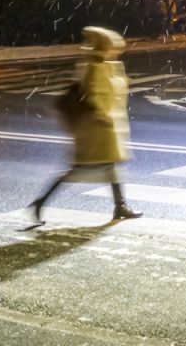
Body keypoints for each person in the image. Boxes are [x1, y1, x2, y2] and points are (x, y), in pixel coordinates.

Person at [27, 26, 142, 227]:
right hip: (94, 128)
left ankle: (120, 206)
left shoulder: (107, 65)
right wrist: (102, 116)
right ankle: (40, 202)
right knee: (79, 170)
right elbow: (95, 96)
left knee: (110, 165)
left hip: (105, 127)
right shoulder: (94, 66)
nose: (117, 50)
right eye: (113, 46)